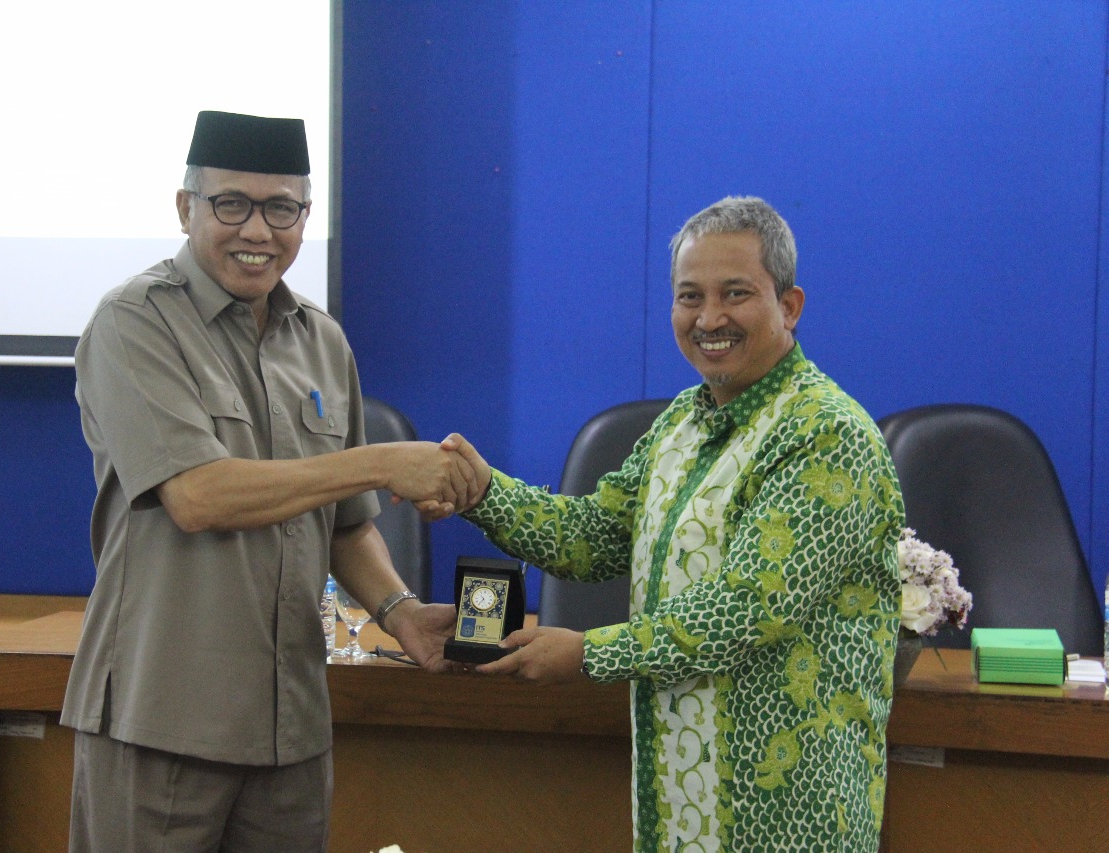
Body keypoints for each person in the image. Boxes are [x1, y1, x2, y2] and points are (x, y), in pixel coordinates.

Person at [60, 110, 473, 852]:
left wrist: (400, 610)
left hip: (291, 728)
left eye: (282, 208)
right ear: (186, 208)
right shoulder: (132, 322)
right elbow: (198, 495)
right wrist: (384, 459)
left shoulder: (321, 339)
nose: (258, 230)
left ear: (305, 218)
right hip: (164, 721)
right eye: (232, 204)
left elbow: (344, 522)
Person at [442, 197, 905, 852]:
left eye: (735, 293)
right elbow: (592, 535)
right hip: (679, 797)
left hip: (785, 809)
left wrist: (590, 652)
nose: (709, 318)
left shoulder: (826, 434)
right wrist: (481, 489)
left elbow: (749, 607)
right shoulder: (681, 424)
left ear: (790, 305)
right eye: (690, 296)